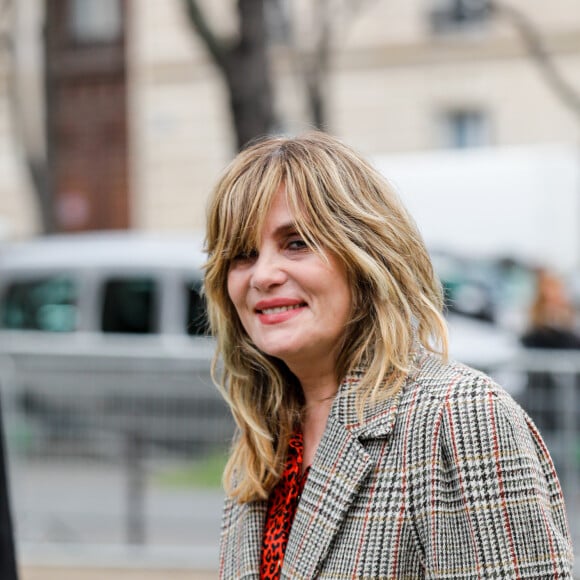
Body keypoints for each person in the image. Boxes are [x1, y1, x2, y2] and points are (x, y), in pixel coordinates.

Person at [204, 132, 573, 579]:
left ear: (366, 255)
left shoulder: (460, 416)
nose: (262, 275)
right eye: (243, 254)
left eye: (297, 242)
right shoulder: (264, 442)